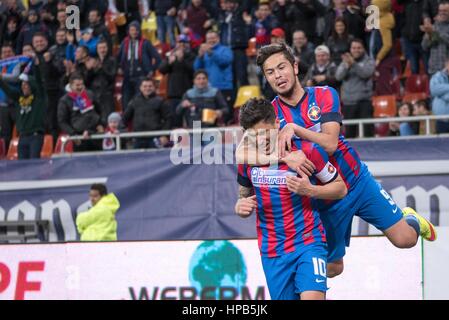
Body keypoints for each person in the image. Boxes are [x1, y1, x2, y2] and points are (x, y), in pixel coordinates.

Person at [236, 43, 437, 278]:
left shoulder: (324, 94)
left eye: (281, 67)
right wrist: (286, 156)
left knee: (406, 240)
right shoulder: (270, 114)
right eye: (270, 72)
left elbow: (330, 143)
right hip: (325, 196)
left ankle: (411, 218)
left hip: (356, 182)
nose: (278, 75)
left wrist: (295, 129)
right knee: (332, 269)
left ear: (295, 66)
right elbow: (242, 153)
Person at [235, 97, 348, 300]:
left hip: (308, 241)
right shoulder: (247, 160)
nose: (261, 140)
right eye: (254, 136)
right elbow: (242, 197)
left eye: (265, 133)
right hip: (272, 250)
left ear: (277, 123)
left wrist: (310, 190)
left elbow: (340, 189)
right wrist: (240, 206)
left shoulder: (307, 152)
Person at [0, 55, 46, 159]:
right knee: (22, 167)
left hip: (35, 137)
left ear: (32, 85)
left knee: (33, 164)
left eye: (26, 84)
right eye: (22, 84)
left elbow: (39, 82)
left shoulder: (39, 97)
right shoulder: (19, 98)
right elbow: (7, 89)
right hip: (22, 137)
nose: (23, 86)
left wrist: (36, 66)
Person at [335, 39, 376, 138]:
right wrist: (346, 66)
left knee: (368, 134)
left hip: (364, 103)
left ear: (363, 49)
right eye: (353, 48)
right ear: (350, 49)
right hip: (349, 104)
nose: (356, 50)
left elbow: (366, 73)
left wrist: (353, 64)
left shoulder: (369, 61)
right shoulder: (345, 61)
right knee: (350, 135)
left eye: (359, 48)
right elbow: (338, 77)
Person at [117, 21, 162, 110]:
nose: (134, 32)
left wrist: (151, 70)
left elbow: (158, 58)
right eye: (132, 30)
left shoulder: (146, 43)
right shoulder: (124, 42)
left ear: (139, 31)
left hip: (141, 77)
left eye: (136, 30)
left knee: (140, 101)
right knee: (126, 101)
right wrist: (119, 68)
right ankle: (126, 122)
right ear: (128, 31)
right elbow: (118, 58)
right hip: (127, 76)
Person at [57, 73, 104, 152]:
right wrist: (73, 134)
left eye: (82, 84)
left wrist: (100, 124)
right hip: (79, 138)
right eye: (77, 85)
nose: (80, 87)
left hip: (95, 135)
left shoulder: (90, 94)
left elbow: (100, 110)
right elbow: (62, 121)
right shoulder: (64, 100)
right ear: (71, 86)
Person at [194, 30, 234, 118]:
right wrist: (200, 57)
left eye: (213, 38)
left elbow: (225, 61)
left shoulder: (225, 49)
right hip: (209, 90)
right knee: (210, 118)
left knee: (225, 116)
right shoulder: (204, 53)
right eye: (209, 39)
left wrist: (211, 53)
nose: (211, 40)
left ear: (218, 38)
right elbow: (197, 69)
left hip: (224, 88)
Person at [122, 77, 172, 149]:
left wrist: (164, 135)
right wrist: (120, 130)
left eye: (150, 86)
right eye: (145, 86)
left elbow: (169, 119)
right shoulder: (134, 101)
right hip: (138, 139)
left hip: (155, 138)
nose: (147, 88)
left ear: (154, 87)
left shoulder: (161, 101)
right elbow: (125, 118)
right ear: (140, 88)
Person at [159, 34, 196, 128]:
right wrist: (169, 62)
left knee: (193, 121)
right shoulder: (170, 55)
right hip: (174, 94)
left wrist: (181, 60)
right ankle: (178, 142)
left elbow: (194, 71)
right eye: (180, 42)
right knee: (175, 122)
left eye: (184, 42)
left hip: (190, 94)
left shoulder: (192, 56)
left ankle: (196, 141)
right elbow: (162, 70)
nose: (182, 45)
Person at [422, 1, 449, 75]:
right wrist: (428, 34)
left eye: (445, 11)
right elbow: (424, 46)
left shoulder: (434, 28)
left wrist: (435, 31)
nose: (442, 13)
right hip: (433, 70)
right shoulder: (434, 26)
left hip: (447, 70)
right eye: (440, 11)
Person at [430, 55, 449, 133]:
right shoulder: (437, 76)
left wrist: (442, 94)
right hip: (441, 120)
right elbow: (434, 90)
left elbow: (438, 90)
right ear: (447, 64)